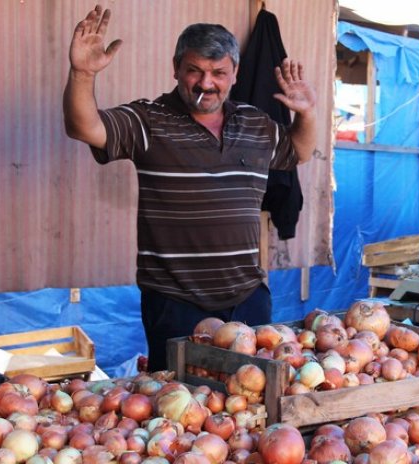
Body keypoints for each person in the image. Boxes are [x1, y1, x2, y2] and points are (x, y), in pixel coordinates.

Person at [63, 5, 317, 371]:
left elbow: (299, 151)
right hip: (176, 303)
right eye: (194, 71)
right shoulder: (148, 119)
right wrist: (82, 73)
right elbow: (83, 127)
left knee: (252, 398)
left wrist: (307, 114)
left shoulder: (255, 124)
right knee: (180, 408)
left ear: (235, 74)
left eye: (218, 72)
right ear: (176, 69)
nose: (206, 83)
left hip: (248, 298)